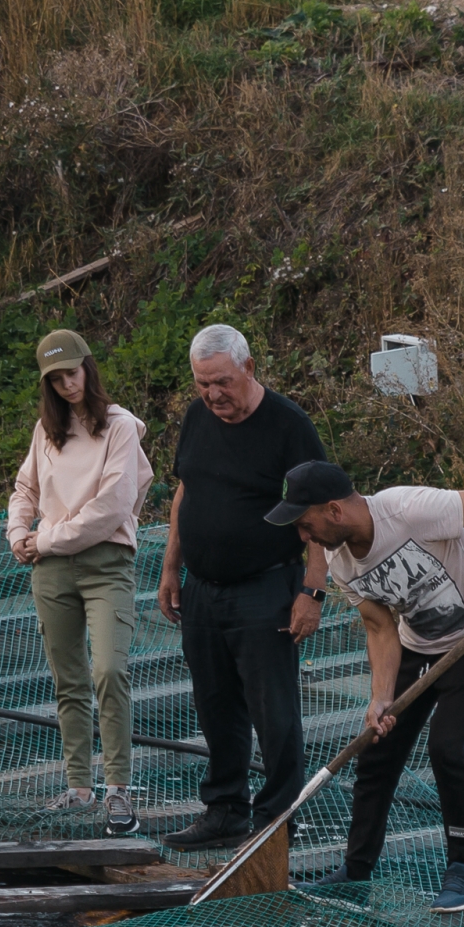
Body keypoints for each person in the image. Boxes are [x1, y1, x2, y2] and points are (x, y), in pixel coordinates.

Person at [267, 461, 464, 913]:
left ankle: (463, 870)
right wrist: (380, 698)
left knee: (449, 748)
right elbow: (379, 625)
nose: (305, 539)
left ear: (333, 510)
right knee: (377, 749)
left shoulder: (409, 509)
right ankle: (356, 870)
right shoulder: (339, 562)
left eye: (306, 526)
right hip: (416, 644)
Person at [158, 324, 329, 850]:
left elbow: (321, 507)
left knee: (272, 710)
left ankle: (276, 821)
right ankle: (225, 809)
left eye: (223, 382)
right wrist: (170, 568)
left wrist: (312, 589)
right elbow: (186, 489)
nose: (214, 395)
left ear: (249, 368)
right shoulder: (197, 418)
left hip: (265, 588)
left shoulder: (287, 424)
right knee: (214, 703)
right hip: (203, 588)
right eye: (203, 384)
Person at [8, 329, 154, 835]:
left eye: (72, 372)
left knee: (110, 670)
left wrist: (45, 540)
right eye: (56, 378)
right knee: (67, 679)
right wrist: (16, 532)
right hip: (50, 570)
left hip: (104, 561)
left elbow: (111, 506)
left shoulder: (119, 427)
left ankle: (118, 789)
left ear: (88, 368)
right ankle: (78, 787)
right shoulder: (46, 430)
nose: (67, 384)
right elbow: (25, 487)